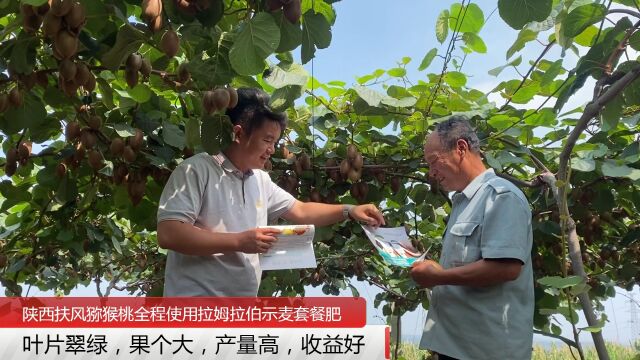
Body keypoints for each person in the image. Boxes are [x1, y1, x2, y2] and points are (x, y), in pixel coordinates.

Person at [157, 88, 385, 297]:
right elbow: (170, 233)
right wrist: (239, 241)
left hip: (239, 314)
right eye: (267, 140)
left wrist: (350, 210)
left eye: (275, 141)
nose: (272, 150)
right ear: (238, 133)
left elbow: (301, 210)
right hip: (194, 311)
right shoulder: (196, 170)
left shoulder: (259, 180)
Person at [410, 116, 533, 360]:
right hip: (456, 345)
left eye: (434, 162)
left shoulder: (501, 196)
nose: (432, 173)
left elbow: (505, 268)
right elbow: (467, 264)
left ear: (461, 148)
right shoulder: (462, 203)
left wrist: (439, 277)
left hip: (486, 351)